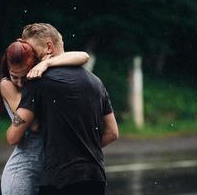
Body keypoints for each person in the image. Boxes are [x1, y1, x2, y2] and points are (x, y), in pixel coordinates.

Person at [7, 23, 119, 195]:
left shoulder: (37, 81)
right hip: (94, 176)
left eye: (33, 52)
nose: (30, 59)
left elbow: (13, 136)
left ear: (49, 47)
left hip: (58, 179)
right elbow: (112, 133)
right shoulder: (96, 81)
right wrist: (83, 150)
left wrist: (13, 101)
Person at [0, 39, 90, 195]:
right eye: (15, 76)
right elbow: (34, 125)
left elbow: (83, 56)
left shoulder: (41, 76)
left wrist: (47, 63)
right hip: (24, 174)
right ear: (8, 70)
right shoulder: (7, 85)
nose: (20, 83)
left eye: (24, 76)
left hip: (50, 174)